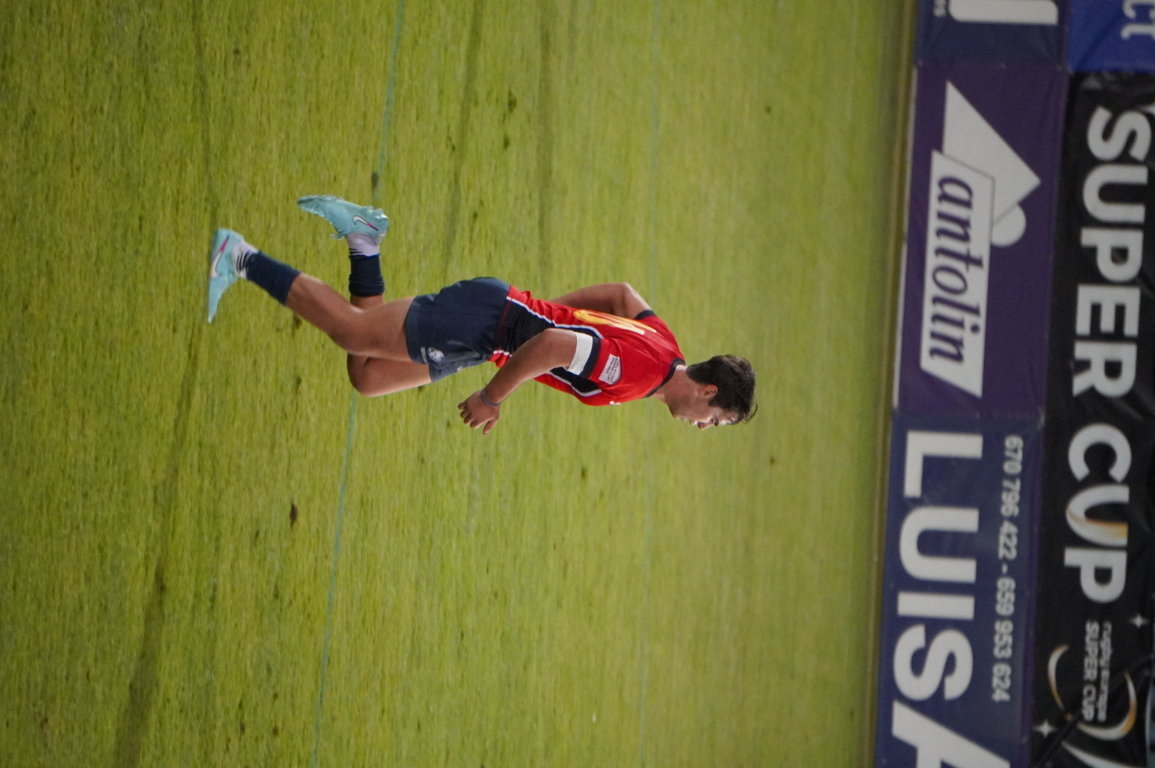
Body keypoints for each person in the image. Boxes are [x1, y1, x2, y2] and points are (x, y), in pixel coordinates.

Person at [207, 195, 756, 434]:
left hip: (488, 336)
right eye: (715, 420)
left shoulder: (667, 347)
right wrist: (492, 398)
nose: (703, 426)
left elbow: (619, 294)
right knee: (351, 332)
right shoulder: (637, 373)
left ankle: (363, 239)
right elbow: (555, 346)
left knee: (369, 377)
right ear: (708, 392)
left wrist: (548, 312)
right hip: (487, 321)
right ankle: (239, 257)